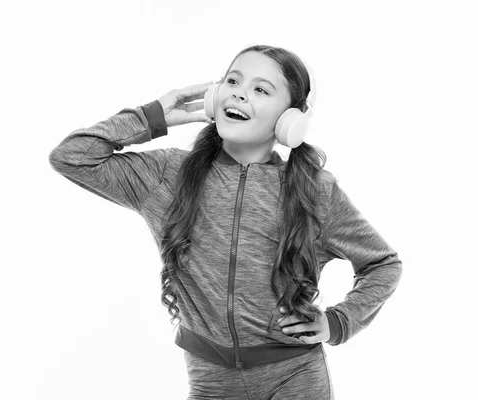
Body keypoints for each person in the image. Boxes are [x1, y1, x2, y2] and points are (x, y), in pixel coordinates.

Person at [49, 44, 402, 400]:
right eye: (232, 81)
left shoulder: (316, 191)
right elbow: (72, 157)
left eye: (261, 90)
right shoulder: (167, 176)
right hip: (210, 383)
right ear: (216, 95)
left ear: (291, 118)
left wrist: (338, 323)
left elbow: (383, 264)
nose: (240, 94)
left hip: (295, 379)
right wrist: (154, 116)